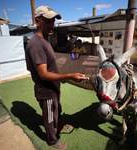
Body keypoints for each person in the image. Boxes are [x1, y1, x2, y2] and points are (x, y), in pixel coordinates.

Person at [26, 6, 87, 150]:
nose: (52, 25)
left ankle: (60, 127)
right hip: (46, 90)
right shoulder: (36, 43)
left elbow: (32, 67)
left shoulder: (45, 40)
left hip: (53, 87)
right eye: (48, 21)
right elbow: (43, 74)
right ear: (37, 21)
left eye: (53, 21)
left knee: (57, 110)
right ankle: (52, 140)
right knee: (49, 117)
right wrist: (70, 76)